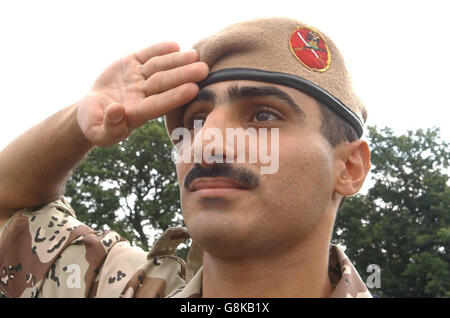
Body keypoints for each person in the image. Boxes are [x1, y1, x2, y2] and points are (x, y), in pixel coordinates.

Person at [0, 17, 372, 298]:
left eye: (263, 116)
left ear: (349, 168)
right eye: (196, 119)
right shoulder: (121, 286)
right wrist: (77, 126)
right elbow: (8, 205)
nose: (205, 140)